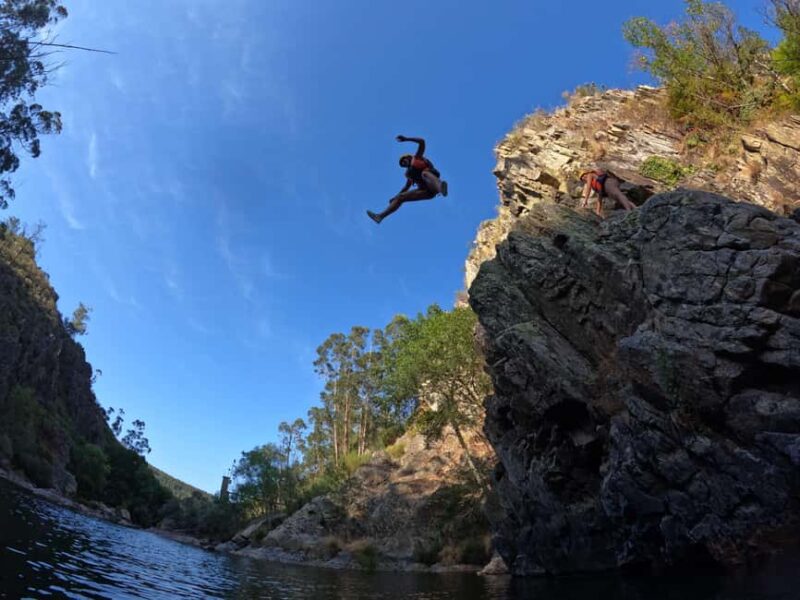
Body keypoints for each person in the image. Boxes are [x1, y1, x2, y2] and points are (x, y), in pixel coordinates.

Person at [367, 135, 448, 224]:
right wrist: (395, 197)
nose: (403, 163)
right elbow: (405, 188)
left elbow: (422, 141)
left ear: (409, 158)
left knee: (424, 173)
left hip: (433, 184)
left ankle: (441, 188)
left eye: (404, 160)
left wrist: (406, 139)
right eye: (402, 164)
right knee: (400, 197)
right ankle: (380, 216)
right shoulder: (409, 174)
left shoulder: (417, 157)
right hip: (426, 192)